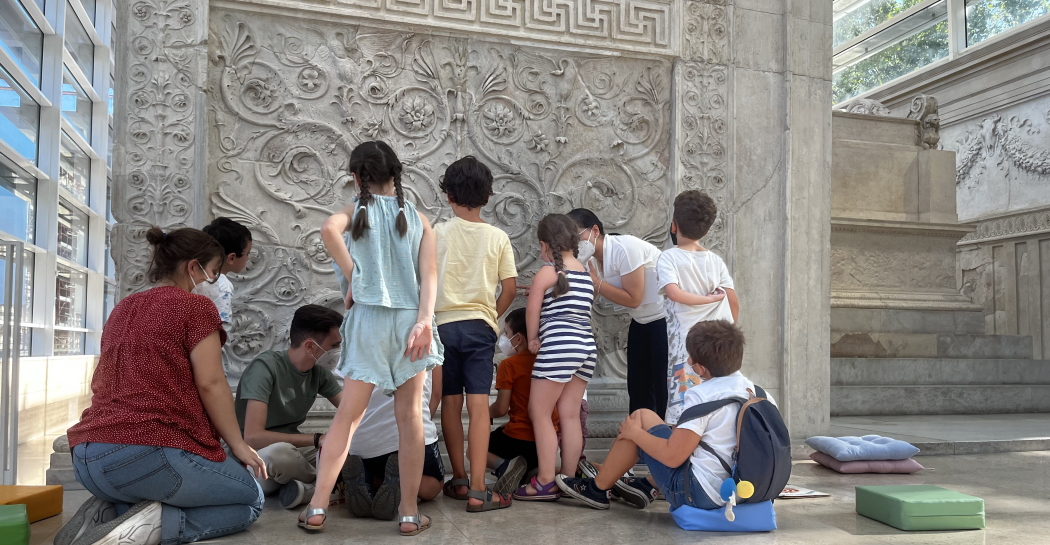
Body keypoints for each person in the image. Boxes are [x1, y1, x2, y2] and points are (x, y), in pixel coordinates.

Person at [58, 227, 266, 545]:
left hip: (87, 458)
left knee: (180, 486)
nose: (215, 282)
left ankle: (113, 512)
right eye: (213, 272)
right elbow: (211, 382)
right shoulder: (195, 308)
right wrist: (237, 444)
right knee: (251, 500)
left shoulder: (123, 308)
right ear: (193, 267)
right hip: (145, 451)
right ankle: (151, 525)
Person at [301, 141, 442, 536]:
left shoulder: (354, 213)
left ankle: (316, 508)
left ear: (355, 177)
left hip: (368, 321)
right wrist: (424, 322)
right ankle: (409, 514)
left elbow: (328, 229)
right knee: (410, 418)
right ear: (396, 175)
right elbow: (430, 276)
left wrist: (355, 278)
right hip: (410, 323)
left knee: (347, 418)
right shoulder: (419, 219)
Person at [556, 320, 763, 513]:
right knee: (644, 415)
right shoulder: (757, 393)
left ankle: (597, 489)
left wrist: (635, 434)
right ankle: (645, 485)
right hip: (744, 490)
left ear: (700, 368)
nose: (688, 361)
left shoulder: (701, 396)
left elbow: (673, 457)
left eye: (690, 358)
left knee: (637, 428)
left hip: (701, 495)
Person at [433, 156, 518, 512]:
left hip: (442, 326)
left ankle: (458, 479)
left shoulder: (435, 233)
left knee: (450, 403)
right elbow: (510, 289)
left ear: (448, 195)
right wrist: (489, 317)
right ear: (488, 196)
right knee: (479, 405)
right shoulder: (498, 237)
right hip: (480, 327)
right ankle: (479, 490)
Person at [514, 214, 595, 501]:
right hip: (585, 347)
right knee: (570, 414)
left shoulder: (548, 273)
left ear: (545, 244)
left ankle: (545, 480)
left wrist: (533, 338)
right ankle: (568, 480)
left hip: (559, 347)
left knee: (540, 412)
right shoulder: (584, 273)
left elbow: (532, 310)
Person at [234, 304, 344, 509]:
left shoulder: (319, 373)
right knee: (279, 454)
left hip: (294, 454)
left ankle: (305, 490)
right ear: (310, 346)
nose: (338, 352)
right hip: (255, 459)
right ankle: (326, 489)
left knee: (350, 452)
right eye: (334, 345)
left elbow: (352, 411)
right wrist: (317, 439)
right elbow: (253, 437)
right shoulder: (265, 368)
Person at [566, 209, 666, 419]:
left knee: (662, 386)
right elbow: (589, 294)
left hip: (663, 321)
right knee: (638, 387)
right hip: (640, 321)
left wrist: (596, 283)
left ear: (595, 230)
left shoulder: (625, 248)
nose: (574, 243)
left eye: (576, 236)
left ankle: (665, 436)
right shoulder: (590, 260)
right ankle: (640, 436)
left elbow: (634, 298)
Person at [657, 190, 739, 424]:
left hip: (686, 347)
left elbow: (673, 293)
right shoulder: (715, 260)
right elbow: (732, 301)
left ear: (674, 226)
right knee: (716, 401)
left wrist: (707, 300)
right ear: (706, 230)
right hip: (717, 346)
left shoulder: (669, 258)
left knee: (684, 409)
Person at [341, 368, 444, 521]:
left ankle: (370, 480)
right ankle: (398, 481)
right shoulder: (425, 351)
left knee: (372, 462)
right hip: (409, 439)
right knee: (434, 485)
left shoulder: (357, 352)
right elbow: (436, 394)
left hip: (362, 442)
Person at [487, 307, 557, 482]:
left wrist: (484, 413)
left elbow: (501, 409)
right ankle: (537, 472)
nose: (504, 338)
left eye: (506, 333)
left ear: (518, 338)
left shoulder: (509, 365)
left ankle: (505, 467)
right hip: (546, 441)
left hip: (517, 439)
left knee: (475, 448)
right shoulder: (550, 362)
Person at [194, 217, 253, 324]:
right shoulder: (222, 285)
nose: (248, 258)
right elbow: (222, 327)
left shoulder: (193, 275)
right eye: (247, 253)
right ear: (231, 258)